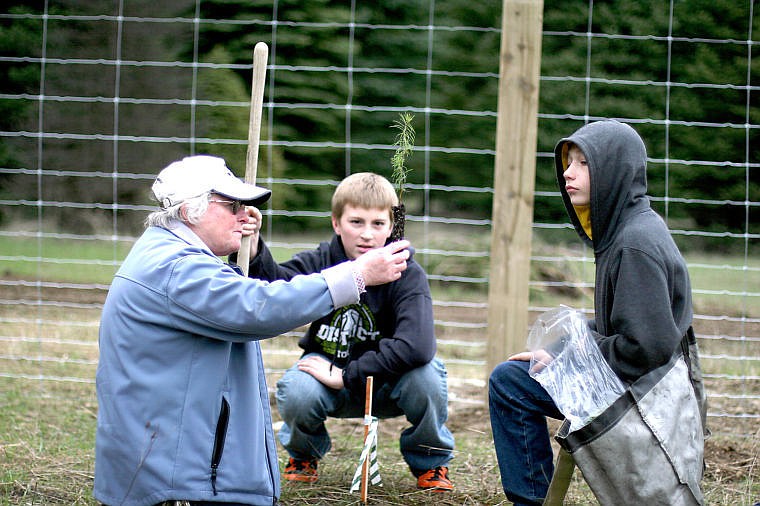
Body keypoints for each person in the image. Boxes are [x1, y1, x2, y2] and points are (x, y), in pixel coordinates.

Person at [93, 155, 411, 506]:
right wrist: (357, 275)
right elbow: (260, 306)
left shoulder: (168, 255)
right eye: (232, 205)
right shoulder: (177, 270)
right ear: (189, 211)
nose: (244, 214)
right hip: (174, 486)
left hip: (174, 470)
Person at [488, 120, 695, 505]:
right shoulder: (625, 230)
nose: (568, 172)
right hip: (634, 379)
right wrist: (563, 349)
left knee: (511, 384)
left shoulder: (634, 244)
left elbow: (646, 347)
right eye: (569, 162)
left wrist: (570, 360)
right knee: (519, 373)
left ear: (614, 171)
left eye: (583, 163)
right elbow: (617, 323)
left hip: (645, 397)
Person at [241, 172, 456, 491]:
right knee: (298, 390)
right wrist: (255, 243)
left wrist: (347, 375)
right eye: (356, 222)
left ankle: (431, 461)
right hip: (327, 377)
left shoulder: (407, 273)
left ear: (392, 227)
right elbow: (276, 287)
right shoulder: (321, 261)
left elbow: (418, 347)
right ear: (336, 223)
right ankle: (304, 454)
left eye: (378, 224)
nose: (367, 235)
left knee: (427, 377)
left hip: (389, 382)